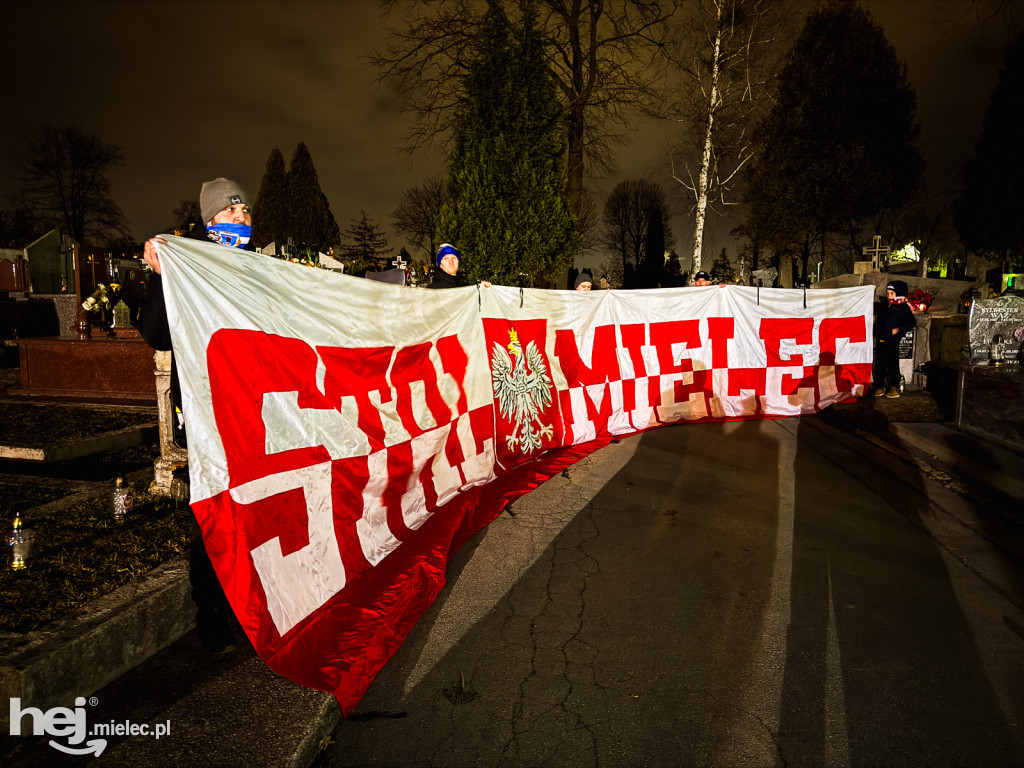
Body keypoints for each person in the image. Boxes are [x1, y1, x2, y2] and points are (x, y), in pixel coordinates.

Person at [139, 177, 254, 653]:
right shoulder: (183, 263)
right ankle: (208, 608)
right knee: (212, 505)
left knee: (250, 503)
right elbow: (158, 335)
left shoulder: (253, 265)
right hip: (206, 405)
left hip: (249, 403)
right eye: (233, 212)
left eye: (246, 210)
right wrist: (163, 276)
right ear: (211, 221)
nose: (243, 218)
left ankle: (250, 602)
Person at [873, 279, 916, 399]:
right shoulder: (883, 305)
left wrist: (899, 329)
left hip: (892, 341)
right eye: (888, 293)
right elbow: (872, 308)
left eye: (892, 293)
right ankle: (879, 386)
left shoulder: (903, 308)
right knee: (880, 365)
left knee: (892, 365)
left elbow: (911, 323)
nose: (889, 296)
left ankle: (893, 386)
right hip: (881, 339)